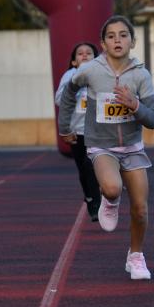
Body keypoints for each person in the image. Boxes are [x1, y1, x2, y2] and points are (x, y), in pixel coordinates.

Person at [58, 15, 154, 280]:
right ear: (103, 43)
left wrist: (134, 105)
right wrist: (65, 126)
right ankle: (110, 200)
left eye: (123, 35)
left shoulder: (140, 75)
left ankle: (135, 256)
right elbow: (68, 92)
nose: (118, 40)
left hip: (133, 147)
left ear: (133, 41)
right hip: (101, 145)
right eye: (111, 36)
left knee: (140, 208)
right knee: (113, 187)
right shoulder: (90, 70)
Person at [55, 42, 101, 221]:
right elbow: (59, 100)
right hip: (76, 131)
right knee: (82, 169)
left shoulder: (100, 76)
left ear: (96, 59)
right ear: (74, 61)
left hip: (96, 131)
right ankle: (89, 196)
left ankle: (96, 202)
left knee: (90, 166)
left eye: (89, 53)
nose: (84, 55)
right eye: (80, 54)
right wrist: (74, 88)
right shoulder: (69, 75)